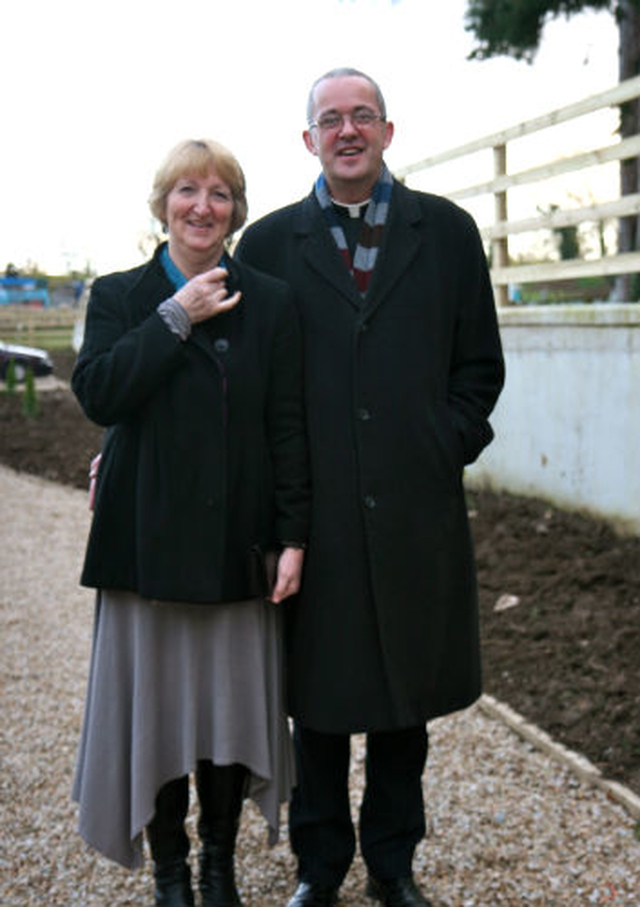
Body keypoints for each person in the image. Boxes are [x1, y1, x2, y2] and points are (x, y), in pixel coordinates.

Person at [236, 69, 505, 907]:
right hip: (310, 513)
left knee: (402, 701)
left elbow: (479, 367)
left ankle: (393, 861)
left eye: (362, 117)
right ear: (308, 141)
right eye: (330, 119)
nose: (347, 130)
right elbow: (237, 379)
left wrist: (440, 443)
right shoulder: (270, 245)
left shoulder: (449, 231)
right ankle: (319, 866)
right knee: (314, 699)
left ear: (389, 131)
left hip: (414, 505)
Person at [71, 138, 310, 907]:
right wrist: (176, 316)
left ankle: (219, 865)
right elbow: (103, 393)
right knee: (161, 714)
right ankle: (171, 869)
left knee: (229, 712)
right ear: (161, 203)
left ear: (236, 210)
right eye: (186, 190)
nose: (202, 206)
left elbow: (287, 428)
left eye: (219, 193)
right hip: (145, 547)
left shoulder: (270, 300)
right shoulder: (118, 296)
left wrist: (294, 536)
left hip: (239, 544)